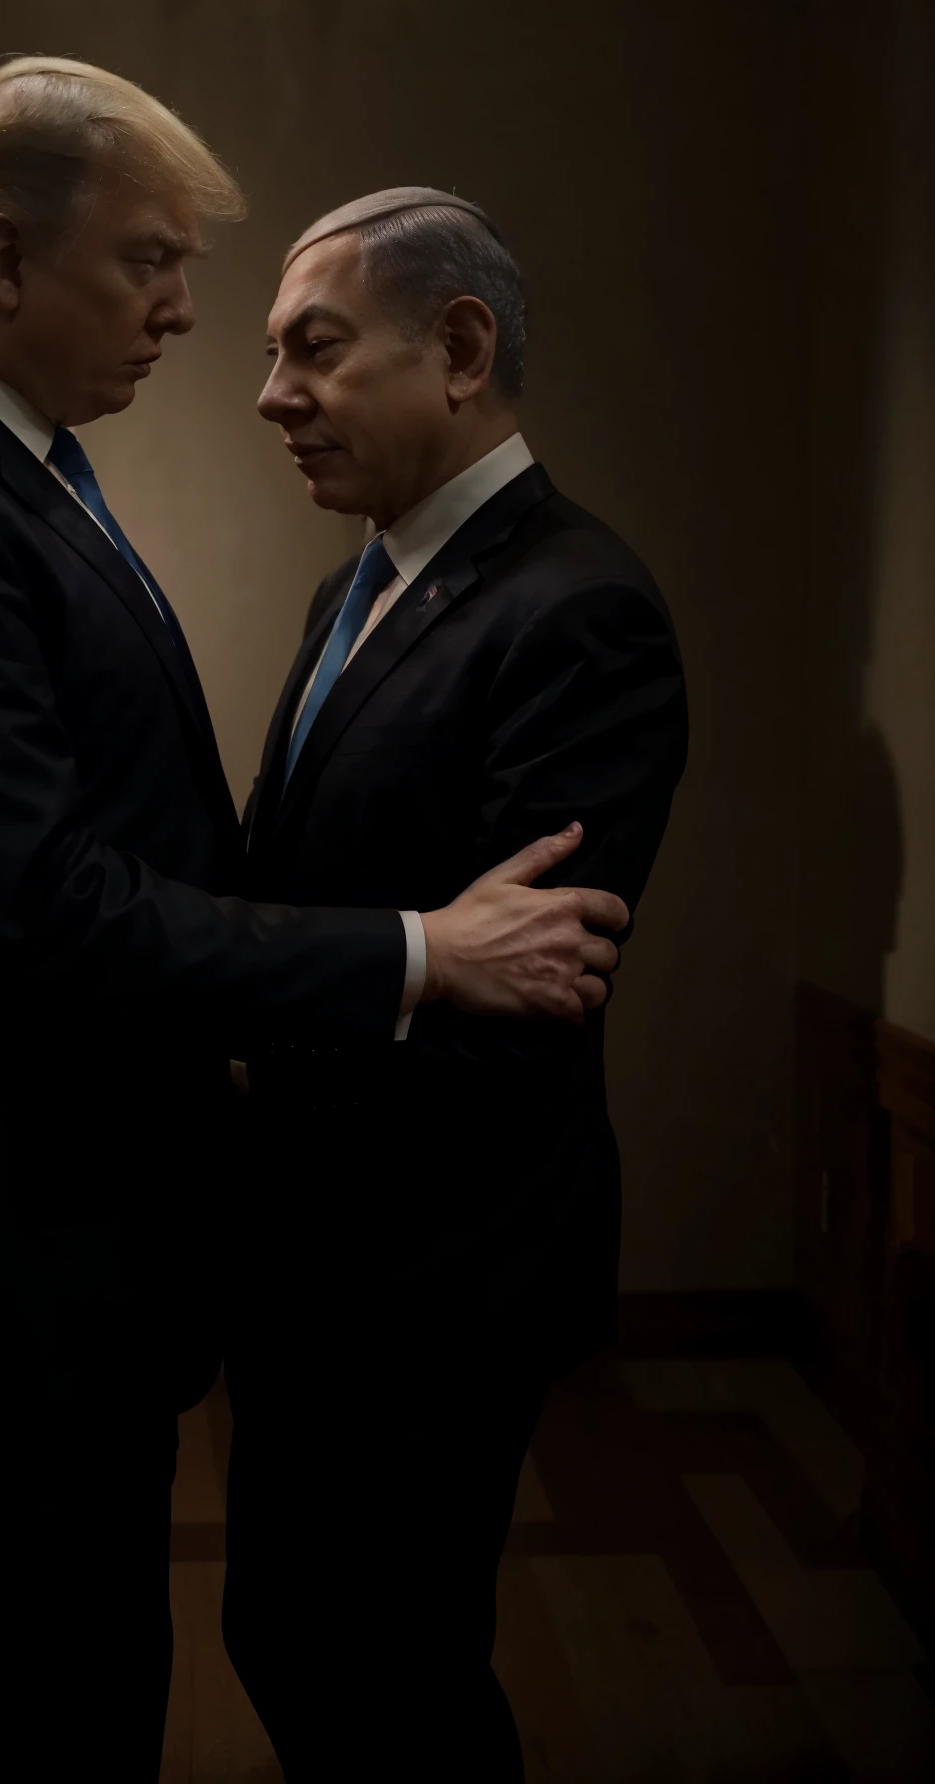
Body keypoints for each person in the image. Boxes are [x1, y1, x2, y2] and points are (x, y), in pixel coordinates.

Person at [0, 74, 628, 1781]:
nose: (184, 308)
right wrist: (423, 953)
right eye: (148, 257)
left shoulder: (1, 469)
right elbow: (44, 908)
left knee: (69, 1694)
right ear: (2, 259)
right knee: (28, 1717)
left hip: (54, 1249)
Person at [222, 188, 689, 1781]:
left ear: (462, 348)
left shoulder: (580, 611)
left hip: (428, 1265)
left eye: (315, 350)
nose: (271, 393)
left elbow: (527, 994)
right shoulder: (352, 588)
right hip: (313, 1251)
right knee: (294, 1640)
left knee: (389, 1677)